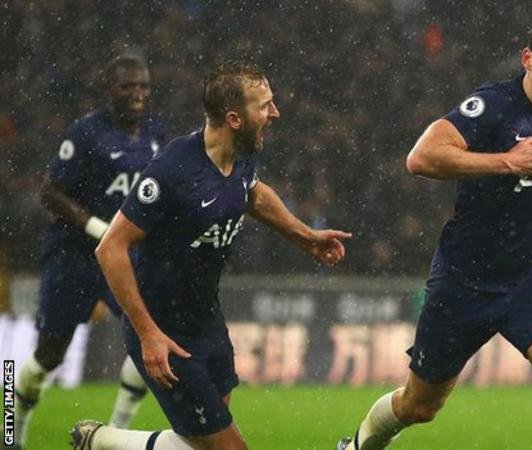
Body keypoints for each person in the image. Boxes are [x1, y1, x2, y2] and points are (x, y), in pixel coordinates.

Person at [336, 16, 532, 450]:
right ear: (527, 59)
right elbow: (421, 157)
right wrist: (505, 162)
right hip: (465, 280)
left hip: (529, 278)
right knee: (419, 406)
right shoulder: (494, 105)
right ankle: (359, 446)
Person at [70, 60, 351, 450]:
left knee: (201, 442)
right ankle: (105, 442)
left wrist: (304, 237)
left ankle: (104, 441)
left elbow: (253, 192)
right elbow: (110, 248)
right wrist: (147, 334)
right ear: (234, 118)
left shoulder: (243, 152)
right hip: (166, 329)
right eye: (265, 105)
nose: (275, 113)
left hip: (207, 319)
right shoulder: (173, 170)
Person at [13, 55, 167, 447]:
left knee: (150, 336)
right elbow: (50, 192)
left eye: (143, 86)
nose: (137, 94)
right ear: (108, 90)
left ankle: (114, 430)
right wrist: (96, 227)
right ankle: (13, 425)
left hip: (124, 259)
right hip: (74, 257)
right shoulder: (85, 134)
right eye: (127, 86)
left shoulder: (156, 135)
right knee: (49, 354)